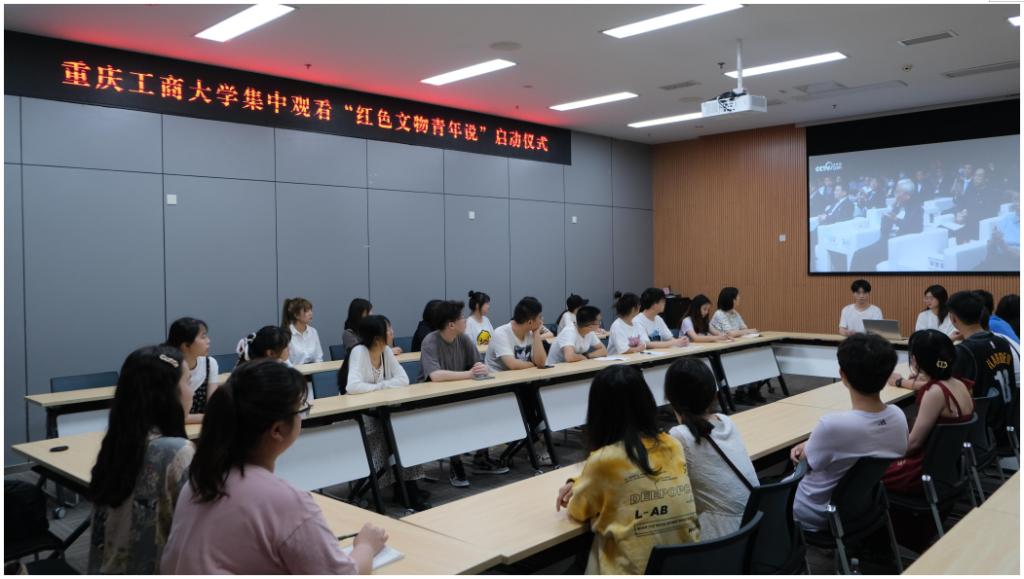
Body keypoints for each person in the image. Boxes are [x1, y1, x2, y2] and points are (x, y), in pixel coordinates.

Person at [161, 360, 388, 574]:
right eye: (301, 410)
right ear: (277, 430)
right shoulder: (285, 502)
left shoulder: (199, 480)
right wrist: (366, 545)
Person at [555, 365, 700, 574]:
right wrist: (579, 481)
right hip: (684, 566)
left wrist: (577, 484)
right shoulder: (672, 444)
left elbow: (579, 510)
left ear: (599, 411)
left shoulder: (604, 460)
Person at [88, 346, 195, 574]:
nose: (192, 391)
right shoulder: (175, 451)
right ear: (168, 394)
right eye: (188, 382)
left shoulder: (117, 444)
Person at [790, 334, 909, 531]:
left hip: (815, 511)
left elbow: (805, 461)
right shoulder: (898, 416)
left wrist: (806, 447)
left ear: (842, 375)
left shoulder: (832, 425)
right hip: (863, 506)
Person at [338, 315, 430, 510]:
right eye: (389, 330)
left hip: (380, 410)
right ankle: (403, 488)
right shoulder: (359, 352)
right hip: (358, 415)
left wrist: (377, 387)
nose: (393, 333)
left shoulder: (385, 351)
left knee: (403, 429)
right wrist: (384, 386)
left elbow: (403, 379)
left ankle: (406, 487)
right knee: (388, 433)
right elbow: (352, 387)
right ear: (377, 337)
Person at [665, 358, 757, 540]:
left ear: (670, 397)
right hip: (754, 525)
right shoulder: (726, 421)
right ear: (712, 393)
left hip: (723, 537)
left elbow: (666, 490)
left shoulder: (679, 435)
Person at [418, 300, 508, 487]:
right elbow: (435, 376)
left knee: (487, 407)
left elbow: (477, 365)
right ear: (451, 325)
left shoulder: (464, 339)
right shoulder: (430, 341)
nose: (465, 320)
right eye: (461, 318)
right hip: (433, 399)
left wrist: (482, 368)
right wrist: (468, 374)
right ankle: (455, 462)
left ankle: (481, 457)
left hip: (459, 393)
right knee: (454, 416)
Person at [884, 331, 974, 495]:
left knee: (865, 470)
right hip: (946, 470)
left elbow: (913, 444)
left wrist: (881, 453)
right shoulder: (959, 384)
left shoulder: (935, 392)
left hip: (922, 474)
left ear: (915, 360)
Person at [165, 317, 219, 425]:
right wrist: (209, 417)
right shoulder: (168, 367)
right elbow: (171, 416)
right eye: (203, 337)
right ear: (186, 345)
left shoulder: (210, 363)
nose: (208, 341)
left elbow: (213, 407)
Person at [710, 287, 760, 402]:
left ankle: (752, 390)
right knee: (746, 359)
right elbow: (731, 333)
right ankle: (741, 392)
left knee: (755, 356)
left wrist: (745, 331)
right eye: (738, 297)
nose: (739, 298)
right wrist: (746, 331)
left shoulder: (734, 313)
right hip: (722, 351)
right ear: (732, 299)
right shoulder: (719, 314)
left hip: (735, 347)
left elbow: (744, 328)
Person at [483, 296, 548, 372]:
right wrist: (533, 364)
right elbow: (513, 364)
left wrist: (536, 332)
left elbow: (541, 363)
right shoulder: (500, 333)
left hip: (521, 376)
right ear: (530, 322)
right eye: (539, 317)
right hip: (498, 378)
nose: (541, 321)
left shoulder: (531, 332)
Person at [282, 297, 323, 366]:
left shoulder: (313, 331)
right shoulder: (285, 333)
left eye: (311, 310)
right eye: (306, 311)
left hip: (314, 370)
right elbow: (285, 361)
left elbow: (318, 357)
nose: (311, 313)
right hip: (294, 371)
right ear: (296, 315)